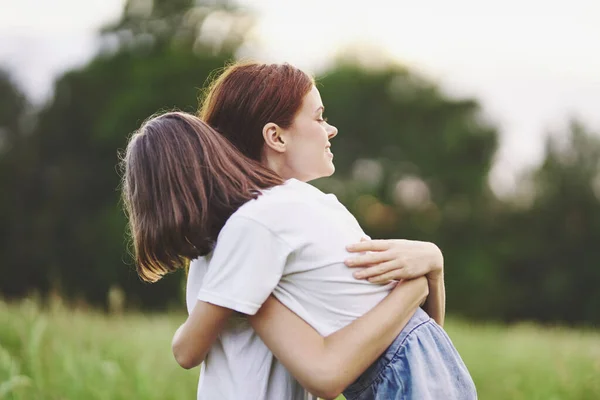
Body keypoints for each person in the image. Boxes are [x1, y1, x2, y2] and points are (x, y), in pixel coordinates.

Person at [121, 62, 476, 400]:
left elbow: (411, 337)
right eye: (320, 117)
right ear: (275, 136)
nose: (331, 129)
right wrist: (422, 277)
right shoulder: (264, 223)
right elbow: (421, 341)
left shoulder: (294, 215)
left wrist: (429, 265)